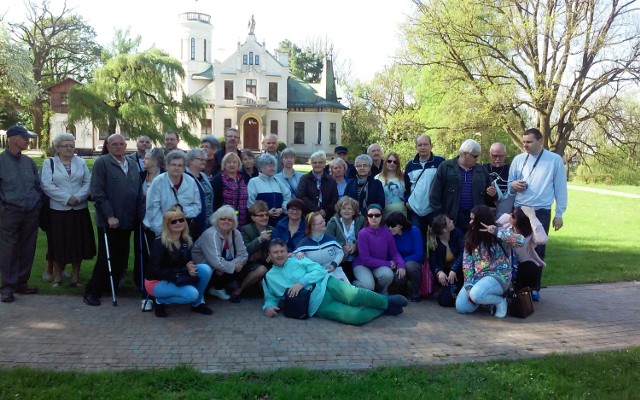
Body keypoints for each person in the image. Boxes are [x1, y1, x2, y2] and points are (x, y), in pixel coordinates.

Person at [262, 239, 409, 325]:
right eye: (275, 252)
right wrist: (268, 307)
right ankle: (385, 308)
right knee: (356, 317)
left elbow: (319, 270)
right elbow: (271, 298)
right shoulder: (269, 278)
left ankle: (386, 301)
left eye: (282, 251)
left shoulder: (297, 259)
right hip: (315, 305)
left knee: (356, 296)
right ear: (269, 255)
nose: (280, 255)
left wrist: (302, 282)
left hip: (327, 284)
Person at [83, 134, 144, 306]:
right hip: (109, 220)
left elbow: (138, 192)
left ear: (126, 146)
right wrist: (109, 215)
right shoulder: (102, 163)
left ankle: (111, 286)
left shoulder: (131, 164)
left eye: (121, 144)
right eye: (114, 144)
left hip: (128, 219)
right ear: (108, 147)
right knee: (106, 257)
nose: (118, 147)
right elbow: (97, 192)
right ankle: (92, 291)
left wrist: (141, 216)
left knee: (122, 256)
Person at [508, 127, 567, 298]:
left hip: (541, 210)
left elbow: (560, 188)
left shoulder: (554, 160)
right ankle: (515, 285)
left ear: (540, 141)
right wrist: (514, 185)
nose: (525, 145)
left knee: (537, 250)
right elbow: (510, 183)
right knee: (516, 248)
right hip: (519, 210)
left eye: (529, 142)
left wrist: (559, 213)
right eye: (523, 142)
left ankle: (534, 288)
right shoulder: (519, 159)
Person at [40, 133, 96, 288]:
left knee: (78, 243)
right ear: (57, 148)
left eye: (72, 145)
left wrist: (78, 197)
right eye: (65, 145)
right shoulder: (49, 163)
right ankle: (57, 277)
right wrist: (66, 198)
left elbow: (88, 182)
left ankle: (75, 278)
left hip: (79, 208)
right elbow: (47, 185)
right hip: (58, 210)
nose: (69, 148)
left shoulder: (81, 162)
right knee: (58, 244)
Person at [455, 205, 525, 318]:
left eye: (473, 219)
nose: (470, 222)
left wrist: (497, 231)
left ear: (481, 220)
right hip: (478, 277)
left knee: (476, 294)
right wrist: (468, 285)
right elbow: (467, 264)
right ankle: (486, 301)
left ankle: (500, 301)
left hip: (499, 276)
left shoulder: (499, 233)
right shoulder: (471, 237)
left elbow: (521, 241)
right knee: (462, 307)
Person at [145, 207, 213, 318]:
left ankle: (197, 304)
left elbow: (186, 262)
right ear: (167, 225)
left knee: (205, 269)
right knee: (192, 294)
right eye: (173, 221)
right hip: (156, 282)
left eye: (181, 220)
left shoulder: (185, 240)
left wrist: (190, 267)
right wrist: (184, 269)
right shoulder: (159, 242)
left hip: (176, 276)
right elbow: (155, 271)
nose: (178, 223)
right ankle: (160, 301)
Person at [0, 125, 41, 303]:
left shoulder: (28, 162)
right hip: (9, 212)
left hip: (30, 211)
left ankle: (21, 283)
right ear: (13, 139)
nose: (27, 141)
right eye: (24, 138)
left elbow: (37, 185)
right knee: (9, 249)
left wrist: (37, 202)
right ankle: (8, 287)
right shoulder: (1, 161)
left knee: (28, 247)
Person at [193, 205, 264, 303]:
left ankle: (217, 288)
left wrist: (229, 265)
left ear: (234, 222)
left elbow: (244, 255)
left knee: (237, 265)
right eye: (222, 219)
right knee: (229, 266)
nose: (226, 221)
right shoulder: (211, 234)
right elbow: (216, 262)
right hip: (203, 268)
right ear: (216, 220)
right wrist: (233, 266)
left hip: (219, 265)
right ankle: (203, 294)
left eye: (230, 219)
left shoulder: (236, 233)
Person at [429, 139, 497, 231]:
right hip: (452, 219)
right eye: (475, 156)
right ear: (465, 154)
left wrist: (492, 194)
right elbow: (434, 195)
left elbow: (490, 198)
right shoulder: (446, 167)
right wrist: (442, 217)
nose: (477, 159)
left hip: (474, 219)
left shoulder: (482, 171)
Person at [144, 150, 201, 237]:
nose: (176, 168)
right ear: (167, 166)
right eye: (173, 165)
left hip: (182, 229)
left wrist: (182, 210)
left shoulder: (191, 182)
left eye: (180, 165)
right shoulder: (158, 182)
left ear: (184, 168)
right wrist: (163, 231)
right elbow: (152, 209)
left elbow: (197, 206)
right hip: (158, 230)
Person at [496, 205, 548, 301]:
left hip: (521, 265)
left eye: (513, 216)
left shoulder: (530, 232)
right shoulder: (506, 221)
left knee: (531, 267)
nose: (510, 215)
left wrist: (532, 217)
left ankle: (525, 291)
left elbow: (542, 240)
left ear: (520, 222)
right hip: (503, 264)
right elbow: (494, 227)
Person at [134, 147, 165, 308]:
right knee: (146, 260)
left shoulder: (165, 177)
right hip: (145, 225)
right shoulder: (140, 177)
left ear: (155, 161)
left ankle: (161, 294)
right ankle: (146, 296)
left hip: (164, 226)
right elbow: (136, 199)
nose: (143, 160)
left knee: (162, 260)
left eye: (146, 158)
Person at [352, 204, 405, 294]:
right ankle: (353, 285)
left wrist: (401, 265)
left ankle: (382, 293)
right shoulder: (362, 234)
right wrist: (388, 263)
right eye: (370, 215)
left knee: (388, 275)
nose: (373, 217)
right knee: (368, 286)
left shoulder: (386, 232)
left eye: (377, 215)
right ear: (367, 217)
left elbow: (394, 252)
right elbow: (365, 259)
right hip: (362, 265)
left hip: (379, 265)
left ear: (381, 217)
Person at [403, 134, 445, 239]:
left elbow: (445, 184)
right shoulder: (410, 165)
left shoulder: (440, 162)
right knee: (417, 240)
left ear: (431, 146)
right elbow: (406, 187)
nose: (422, 147)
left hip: (434, 210)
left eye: (425, 144)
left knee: (436, 240)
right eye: (420, 145)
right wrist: (407, 202)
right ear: (416, 147)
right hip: (415, 211)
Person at [294, 211, 347, 282]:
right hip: (314, 277)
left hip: (334, 273)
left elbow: (340, 252)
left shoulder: (331, 239)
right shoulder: (303, 243)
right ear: (312, 226)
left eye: (323, 221)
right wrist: (297, 254)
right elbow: (294, 256)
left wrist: (334, 264)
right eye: (321, 223)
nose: (324, 223)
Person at [385, 212, 423, 302]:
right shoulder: (391, 235)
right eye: (389, 226)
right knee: (398, 277)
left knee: (410, 266)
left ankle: (415, 292)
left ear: (401, 225)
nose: (390, 228)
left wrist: (402, 263)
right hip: (398, 263)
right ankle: (403, 292)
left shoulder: (414, 231)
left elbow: (419, 254)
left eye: (393, 226)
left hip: (413, 261)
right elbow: (390, 254)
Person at [326, 196, 365, 282]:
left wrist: (356, 245)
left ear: (354, 211)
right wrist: (342, 245)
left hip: (357, 258)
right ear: (339, 211)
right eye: (343, 208)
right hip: (340, 259)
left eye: (349, 209)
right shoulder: (333, 222)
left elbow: (366, 238)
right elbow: (328, 239)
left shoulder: (361, 221)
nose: (346, 211)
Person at [241, 201, 275, 299]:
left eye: (266, 214)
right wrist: (260, 239)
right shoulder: (246, 230)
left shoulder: (272, 229)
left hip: (268, 263)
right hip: (249, 264)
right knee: (261, 270)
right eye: (260, 215)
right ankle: (239, 289)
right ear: (253, 217)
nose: (264, 217)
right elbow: (245, 250)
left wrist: (272, 254)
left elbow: (277, 246)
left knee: (264, 280)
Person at [428, 214, 464, 307]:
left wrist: (454, 269)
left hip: (459, 270)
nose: (452, 221)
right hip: (444, 272)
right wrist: (439, 272)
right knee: (444, 301)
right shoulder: (434, 240)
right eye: (449, 221)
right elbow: (432, 261)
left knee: (460, 293)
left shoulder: (457, 232)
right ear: (445, 229)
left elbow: (462, 252)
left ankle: (458, 295)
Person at [247, 153, 291, 226]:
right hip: (262, 223)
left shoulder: (277, 181)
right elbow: (250, 203)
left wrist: (282, 209)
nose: (273, 169)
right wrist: (266, 213)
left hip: (279, 222)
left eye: (273, 166)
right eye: (270, 166)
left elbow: (287, 196)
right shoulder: (254, 181)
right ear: (262, 168)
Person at [297, 151, 338, 219]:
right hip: (308, 216)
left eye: (320, 162)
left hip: (327, 217)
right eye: (315, 162)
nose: (317, 164)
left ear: (325, 163)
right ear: (311, 163)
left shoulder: (331, 180)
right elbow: (301, 196)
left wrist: (325, 211)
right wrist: (316, 210)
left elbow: (334, 198)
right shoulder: (305, 179)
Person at [212, 152, 248, 227]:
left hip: (242, 218)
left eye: (234, 162)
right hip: (225, 219)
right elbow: (215, 201)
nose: (232, 164)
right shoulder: (218, 179)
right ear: (224, 164)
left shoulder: (243, 178)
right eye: (228, 162)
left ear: (238, 164)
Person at [185, 148, 214, 239]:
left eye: (204, 160)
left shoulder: (204, 176)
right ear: (190, 161)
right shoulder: (184, 176)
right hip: (192, 221)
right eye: (200, 159)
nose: (203, 162)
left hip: (207, 219)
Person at [483, 142, 514, 216]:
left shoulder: (511, 169)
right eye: (494, 156)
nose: (497, 159)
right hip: (487, 210)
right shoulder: (483, 169)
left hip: (507, 211)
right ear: (489, 155)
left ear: (505, 155)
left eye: (501, 156)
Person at [376, 152, 407, 218]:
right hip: (385, 215)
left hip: (403, 214)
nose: (392, 163)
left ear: (398, 164)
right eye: (389, 161)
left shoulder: (404, 178)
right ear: (385, 162)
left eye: (395, 162)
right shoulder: (377, 178)